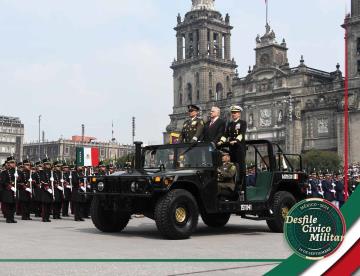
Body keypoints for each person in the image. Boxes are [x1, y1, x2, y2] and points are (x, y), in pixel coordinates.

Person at [218, 105, 247, 191]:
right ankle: (233, 184)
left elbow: (241, 134)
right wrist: (222, 141)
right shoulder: (230, 124)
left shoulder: (242, 123)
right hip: (232, 149)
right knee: (233, 166)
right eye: (232, 113)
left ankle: (242, 186)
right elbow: (225, 134)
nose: (233, 114)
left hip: (239, 148)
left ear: (239, 114)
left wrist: (236, 141)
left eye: (235, 113)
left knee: (240, 167)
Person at [0, 156, 18, 223]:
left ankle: (12, 218)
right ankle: (8, 218)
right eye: (11, 163)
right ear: (8, 163)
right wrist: (9, 186)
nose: (13, 164)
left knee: (13, 205)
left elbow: (20, 181)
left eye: (14, 163)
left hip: (14, 191)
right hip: (8, 191)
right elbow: (2, 182)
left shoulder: (16, 171)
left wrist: (18, 177)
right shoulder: (4, 172)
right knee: (8, 205)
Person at [40, 158, 54, 222]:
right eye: (47, 164)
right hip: (45, 191)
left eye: (49, 164)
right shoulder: (42, 172)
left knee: (49, 205)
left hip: (50, 190)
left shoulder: (51, 172)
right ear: (44, 165)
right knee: (45, 205)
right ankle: (44, 218)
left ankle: (47, 217)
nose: (48, 165)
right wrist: (47, 187)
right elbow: (42, 181)